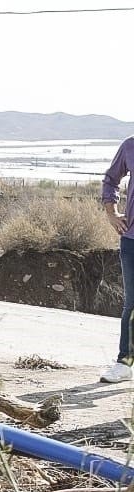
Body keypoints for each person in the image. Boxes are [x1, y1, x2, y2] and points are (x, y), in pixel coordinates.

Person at [99, 136, 134, 383]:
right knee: (132, 305)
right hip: (132, 239)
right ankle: (125, 362)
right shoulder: (130, 145)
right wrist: (111, 213)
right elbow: (111, 179)